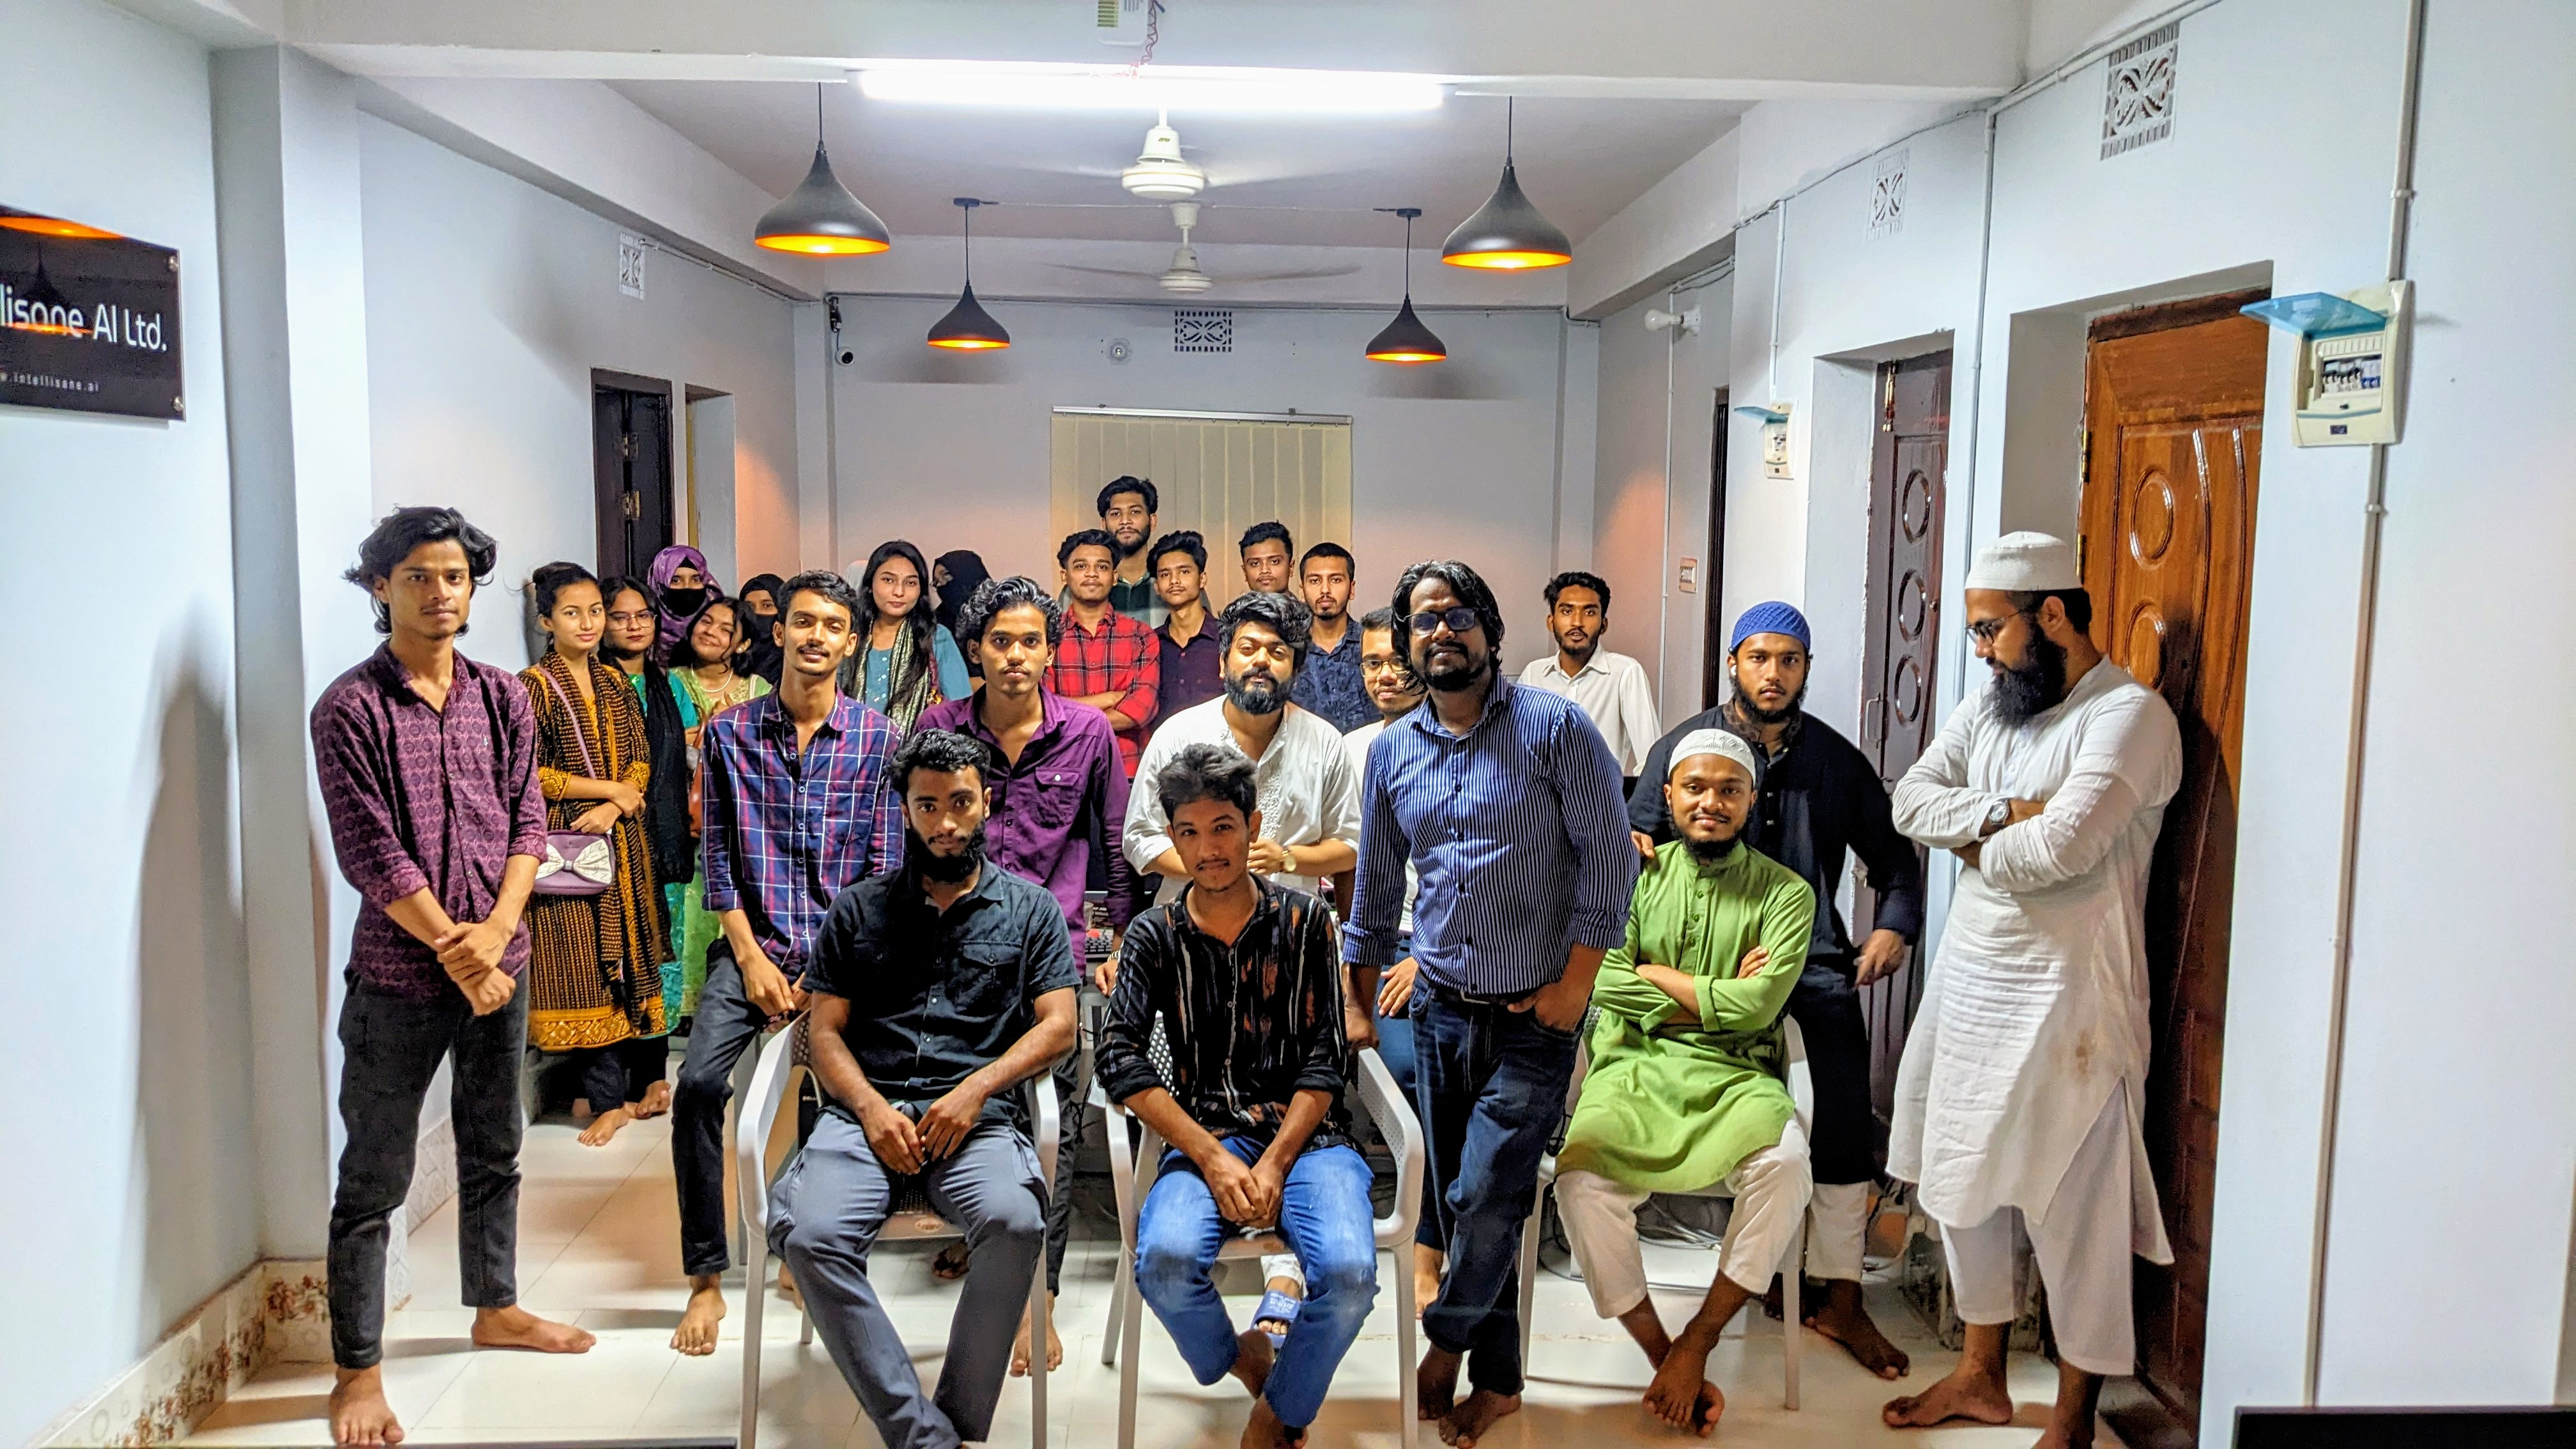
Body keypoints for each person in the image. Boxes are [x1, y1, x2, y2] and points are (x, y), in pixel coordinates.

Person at [1880, 532, 2181, 1449]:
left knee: (2074, 1206)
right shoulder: (1995, 706)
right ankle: (1981, 1377)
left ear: (2051, 614)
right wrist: (2004, 814)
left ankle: (2075, 1416)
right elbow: (1909, 800)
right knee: (1962, 1177)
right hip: (1971, 982)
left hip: (2071, 999)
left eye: (1989, 630)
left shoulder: (2128, 717)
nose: (1980, 651)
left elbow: (2066, 850)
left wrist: (1974, 846)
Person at [311, 507, 592, 1446]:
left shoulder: (502, 696)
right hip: (399, 975)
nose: (440, 594)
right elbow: (372, 854)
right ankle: (357, 1371)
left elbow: (526, 823)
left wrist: (498, 934)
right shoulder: (350, 708)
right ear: (380, 586)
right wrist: (454, 951)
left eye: (456, 577)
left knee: (495, 1144)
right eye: (419, 577)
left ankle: (496, 1308)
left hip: (501, 965)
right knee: (374, 1173)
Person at [1342, 559, 1637, 1449]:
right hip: (1438, 1009)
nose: (1441, 630)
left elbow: (1611, 862)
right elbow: (1374, 893)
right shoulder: (1392, 751)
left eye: (1457, 614)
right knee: (1480, 1202)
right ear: (1406, 643)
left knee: (1483, 1194)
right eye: (1422, 620)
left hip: (1535, 1013)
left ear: (1491, 631)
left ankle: (1445, 1344)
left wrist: (1575, 987)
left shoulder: (1556, 727)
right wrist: (1359, 1007)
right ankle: (1501, 1385)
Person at [1627, 601, 1924, 1379]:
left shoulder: (1835, 761)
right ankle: (1759, 1269)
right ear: (1733, 663)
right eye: (1759, 657)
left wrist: (1892, 928)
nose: (1773, 673)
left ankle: (1842, 1294)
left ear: (1806, 670)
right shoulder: (1683, 750)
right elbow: (1633, 841)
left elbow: (1896, 863)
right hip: (1699, 963)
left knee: (1842, 1116)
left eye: (1789, 660)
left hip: (1809, 965)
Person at [770, 728, 1080, 1449]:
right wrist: (870, 1109)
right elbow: (825, 1031)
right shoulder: (858, 908)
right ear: (905, 811)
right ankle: (926, 1438)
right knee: (811, 1237)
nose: (945, 823)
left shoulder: (1031, 910)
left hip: (975, 1122)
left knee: (1016, 1223)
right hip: (866, 1118)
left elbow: (1060, 1026)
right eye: (928, 806)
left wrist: (977, 1089)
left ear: (987, 802)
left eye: (961, 803)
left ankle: (958, 1422)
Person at [1099, 745, 1379, 1449]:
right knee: (1164, 1266)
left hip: (1310, 1141)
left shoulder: (1308, 922)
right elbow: (1118, 1056)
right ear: (1173, 838)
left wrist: (1275, 1162)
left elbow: (1327, 1058)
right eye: (1188, 833)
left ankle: (1279, 1410)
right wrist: (1212, 1157)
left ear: (1253, 826)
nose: (1208, 849)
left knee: (1349, 1276)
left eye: (1222, 827)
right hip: (1207, 1139)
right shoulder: (1154, 935)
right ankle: (1245, 1357)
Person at [1554, 729, 1817, 1436]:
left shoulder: (1787, 894)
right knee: (1580, 1187)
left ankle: (1697, 1340)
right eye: (1695, 788)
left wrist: (1658, 975)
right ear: (1667, 795)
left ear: (1752, 801)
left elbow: (1760, 1008)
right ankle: (1660, 1353)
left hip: (1738, 1073)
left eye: (1730, 790)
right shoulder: (1630, 876)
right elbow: (1605, 981)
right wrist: (1716, 993)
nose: (1711, 803)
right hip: (1633, 1066)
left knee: (1787, 1165)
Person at [668, 571, 903, 1358]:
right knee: (700, 1086)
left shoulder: (879, 738)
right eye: (804, 622)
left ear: (850, 640)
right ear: (780, 632)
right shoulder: (730, 734)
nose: (816, 637)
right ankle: (706, 1275)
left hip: (845, 955)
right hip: (752, 946)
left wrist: (829, 972)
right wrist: (749, 957)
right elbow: (718, 860)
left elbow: (883, 871)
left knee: (842, 1087)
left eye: (833, 625)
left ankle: (805, 1244)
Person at [916, 574, 1137, 1368]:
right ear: (976, 650)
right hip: (953, 947)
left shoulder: (1086, 733)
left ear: (1050, 651)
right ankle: (982, 1234)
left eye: (1030, 642)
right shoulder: (940, 728)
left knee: (1059, 1117)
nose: (1015, 656)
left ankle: (1036, 1293)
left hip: (1055, 952)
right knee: (955, 1092)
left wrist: (1116, 942)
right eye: (1000, 641)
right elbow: (911, 838)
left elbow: (1115, 843)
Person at [519, 562, 670, 1147]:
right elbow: (531, 773)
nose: (587, 623)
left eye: (595, 612)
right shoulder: (532, 687)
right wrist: (608, 793)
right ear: (546, 621)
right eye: (571, 613)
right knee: (582, 965)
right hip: (568, 847)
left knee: (630, 956)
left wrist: (616, 803)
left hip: (620, 839)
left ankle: (626, 1089)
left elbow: (639, 757)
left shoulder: (613, 682)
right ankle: (605, 1102)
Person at [1121, 590, 1360, 914]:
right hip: (1189, 924)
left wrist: (1286, 858)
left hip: (1293, 928)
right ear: (1223, 663)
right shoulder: (1178, 736)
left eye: (1277, 652)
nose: (1261, 661)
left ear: (1296, 671)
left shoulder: (1325, 742)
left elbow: (1350, 845)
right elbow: (1140, 838)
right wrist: (1215, 868)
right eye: (1247, 649)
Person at [1337, 606, 1441, 1312]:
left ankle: (1432, 1240)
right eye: (1372, 663)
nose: (1386, 676)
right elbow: (1351, 866)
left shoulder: (1462, 744)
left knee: (1438, 1072)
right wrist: (1357, 971)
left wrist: (1426, 957)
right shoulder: (1354, 749)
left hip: (1448, 947)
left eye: (1397, 661)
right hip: (1378, 942)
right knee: (1394, 1069)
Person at [602, 576, 702, 1032]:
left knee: (667, 937)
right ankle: (617, 1046)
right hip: (611, 831)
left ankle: (656, 1040)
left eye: (643, 615)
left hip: (664, 834)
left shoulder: (669, 685)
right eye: (621, 617)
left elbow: (687, 752)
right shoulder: (595, 684)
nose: (634, 625)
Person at [1515, 571, 1663, 778]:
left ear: (1604, 625)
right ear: (1551, 622)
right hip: (1540, 795)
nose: (1577, 622)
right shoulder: (1534, 674)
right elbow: (1516, 748)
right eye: (1567, 611)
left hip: (1600, 796)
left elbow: (1651, 761)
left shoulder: (1625, 673)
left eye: (1589, 612)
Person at [1047, 528, 1161, 776]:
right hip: (1063, 770)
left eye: (1102, 567)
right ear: (1064, 576)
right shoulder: (1047, 637)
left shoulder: (1141, 636)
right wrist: (1111, 698)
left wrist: (1070, 713)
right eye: (1081, 566)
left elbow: (1140, 711)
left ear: (1114, 576)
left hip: (1126, 769)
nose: (1092, 574)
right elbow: (1043, 709)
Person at [844, 539, 971, 732]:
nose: (899, 591)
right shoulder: (849, 636)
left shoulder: (937, 638)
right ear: (870, 584)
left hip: (919, 750)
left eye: (911, 583)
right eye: (888, 580)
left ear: (920, 590)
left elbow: (960, 711)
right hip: (850, 748)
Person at [1287, 542, 1372, 732]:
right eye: (1315, 581)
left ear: (1352, 588)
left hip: (1366, 748)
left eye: (1335, 580)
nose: (1325, 590)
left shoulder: (1370, 645)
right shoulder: (1288, 648)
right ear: (1302, 590)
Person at [1149, 530, 1225, 721]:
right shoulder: (1149, 644)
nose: (1174, 581)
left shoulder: (1228, 637)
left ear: (1202, 579)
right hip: (1163, 740)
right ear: (1157, 587)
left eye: (1184, 572)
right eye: (1165, 574)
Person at [672, 594, 770, 723]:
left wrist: (734, 725)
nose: (710, 631)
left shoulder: (758, 691)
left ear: (742, 645)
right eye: (706, 622)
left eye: (725, 630)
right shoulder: (668, 682)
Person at [1096, 476, 1168, 627]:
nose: (1125, 521)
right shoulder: (1086, 584)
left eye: (1135, 512)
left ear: (1152, 521)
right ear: (1104, 525)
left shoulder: (1174, 581)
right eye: (1116, 514)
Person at [647, 544, 719, 664]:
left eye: (696, 579)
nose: (687, 587)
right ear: (659, 586)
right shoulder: (643, 630)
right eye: (676, 580)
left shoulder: (722, 627)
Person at [735, 571, 786, 686]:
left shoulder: (794, 664)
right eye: (750, 607)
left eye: (767, 606)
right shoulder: (731, 663)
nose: (757, 612)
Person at [931, 549, 992, 642]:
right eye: (936, 582)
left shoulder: (1001, 609)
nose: (940, 584)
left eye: (946, 574)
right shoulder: (936, 623)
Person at [1238, 521, 1294, 598]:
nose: (1265, 571)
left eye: (1274, 562)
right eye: (1255, 564)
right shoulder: (1237, 606)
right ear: (1245, 572)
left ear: (1291, 567)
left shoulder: (1305, 606)